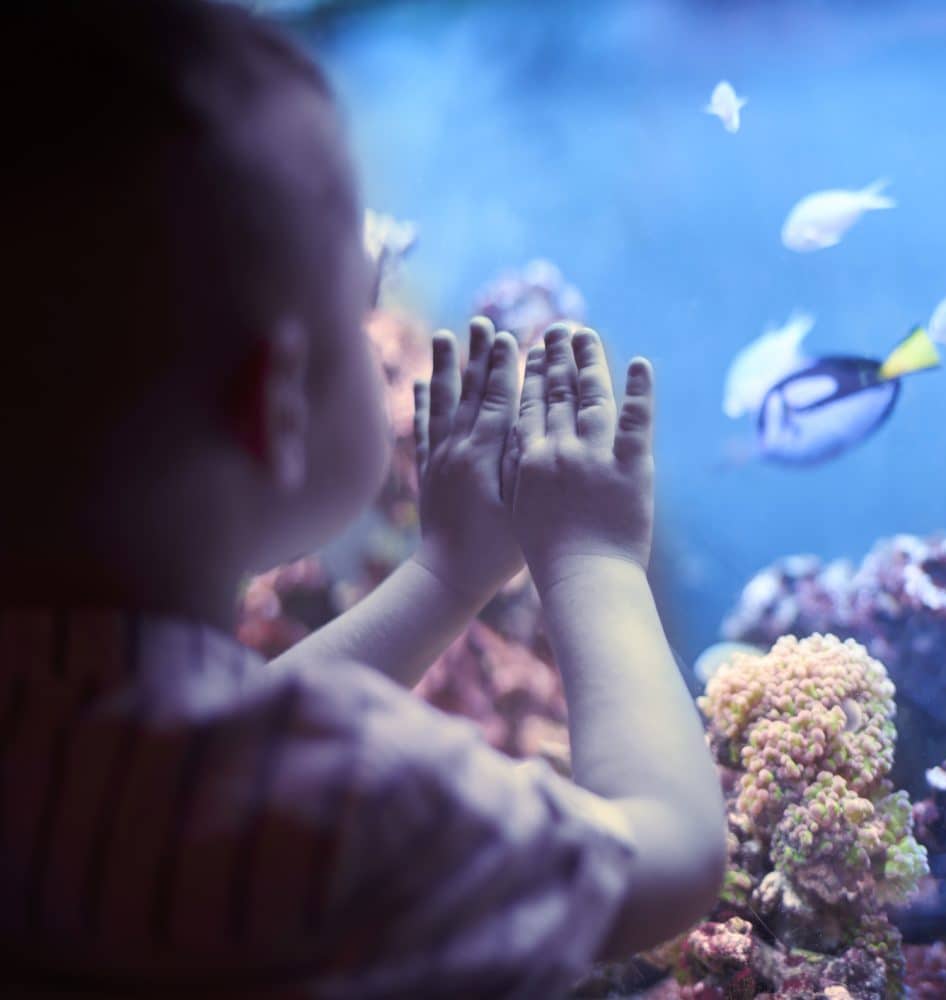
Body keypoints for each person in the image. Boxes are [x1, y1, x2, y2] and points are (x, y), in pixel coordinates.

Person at [0, 2, 726, 995]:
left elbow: (217, 729)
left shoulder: (64, 740)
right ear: (277, 404)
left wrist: (446, 577)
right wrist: (593, 560)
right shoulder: (358, 811)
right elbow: (671, 853)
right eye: (363, 298)